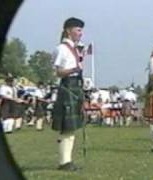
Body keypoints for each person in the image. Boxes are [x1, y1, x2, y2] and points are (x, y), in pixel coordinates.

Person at [51, 17, 86, 171]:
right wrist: (74, 69)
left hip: (76, 86)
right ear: (68, 30)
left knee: (72, 127)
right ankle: (64, 162)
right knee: (67, 127)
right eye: (78, 30)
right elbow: (58, 72)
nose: (81, 33)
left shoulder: (74, 49)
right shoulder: (62, 48)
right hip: (67, 86)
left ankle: (67, 161)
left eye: (81, 30)